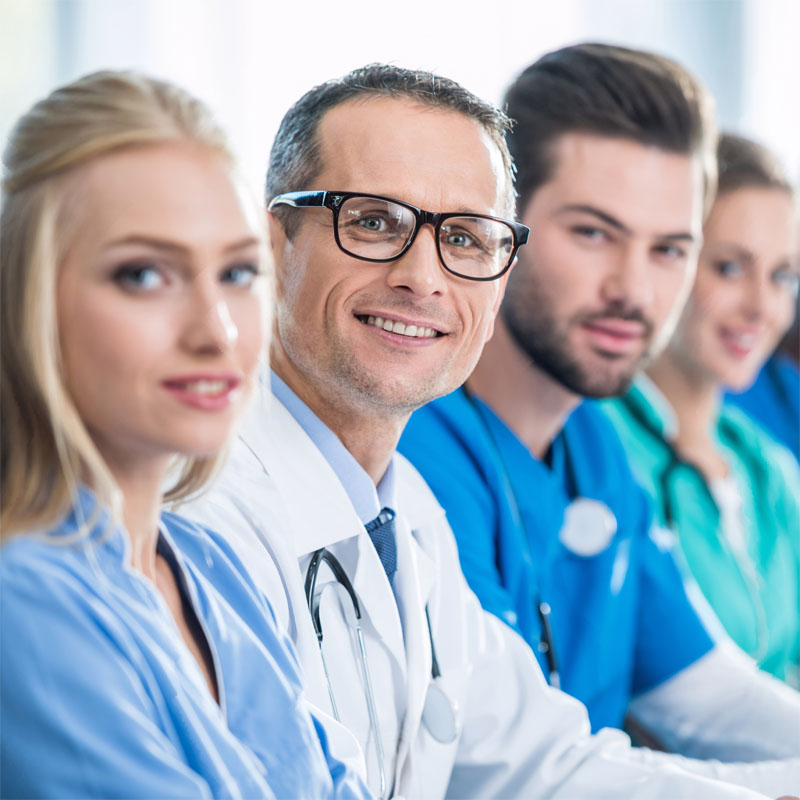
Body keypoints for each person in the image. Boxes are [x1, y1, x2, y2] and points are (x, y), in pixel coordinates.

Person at [184, 62, 799, 799]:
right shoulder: (200, 512)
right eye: (374, 222)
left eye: (469, 238)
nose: (423, 275)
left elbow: (549, 766)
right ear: (271, 241)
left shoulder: (408, 515)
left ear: (503, 265)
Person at [398, 44, 800, 754]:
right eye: (593, 233)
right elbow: (510, 766)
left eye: (669, 249)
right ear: (502, 223)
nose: (633, 290)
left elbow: (704, 695)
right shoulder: (418, 444)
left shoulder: (596, 447)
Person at [0, 71, 369, 800]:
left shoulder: (206, 565)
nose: (217, 330)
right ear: (27, 297)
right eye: (143, 275)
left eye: (237, 272)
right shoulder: (23, 602)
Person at [603, 133, 800, 685]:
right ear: (668, 260)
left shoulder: (766, 467)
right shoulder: (595, 447)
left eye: (782, 276)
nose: (762, 306)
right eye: (730, 268)